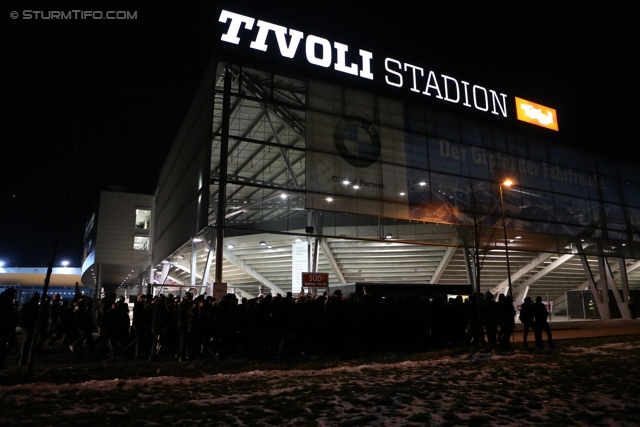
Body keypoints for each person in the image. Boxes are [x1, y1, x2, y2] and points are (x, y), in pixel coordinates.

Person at [0, 288, 18, 369]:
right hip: (6, 326)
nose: (15, 295)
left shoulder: (5, 300)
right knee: (9, 344)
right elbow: (8, 315)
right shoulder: (6, 302)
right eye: (15, 294)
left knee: (5, 344)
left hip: (6, 326)